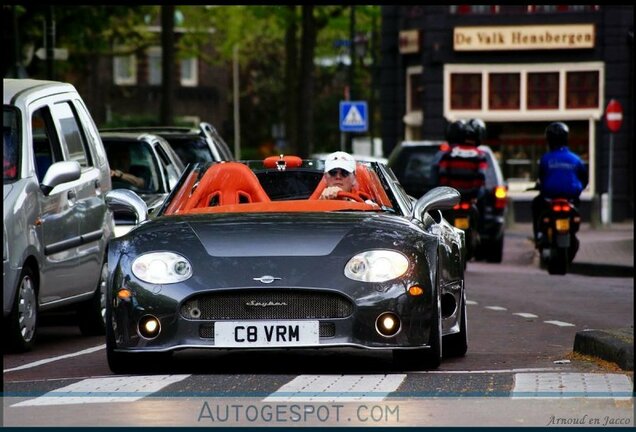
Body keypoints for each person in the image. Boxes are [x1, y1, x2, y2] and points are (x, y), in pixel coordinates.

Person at [531, 121, 588, 243]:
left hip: (550, 199)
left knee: (536, 204)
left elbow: (541, 177)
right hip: (571, 199)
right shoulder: (575, 159)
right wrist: (579, 188)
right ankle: (572, 230)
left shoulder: (545, 158)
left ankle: (539, 235)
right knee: (576, 208)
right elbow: (584, 178)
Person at [436, 119, 488, 201]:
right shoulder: (480, 155)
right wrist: (474, 193)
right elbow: (481, 176)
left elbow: (442, 174)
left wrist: (447, 191)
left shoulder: (449, 153)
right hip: (471, 195)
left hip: (452, 194)